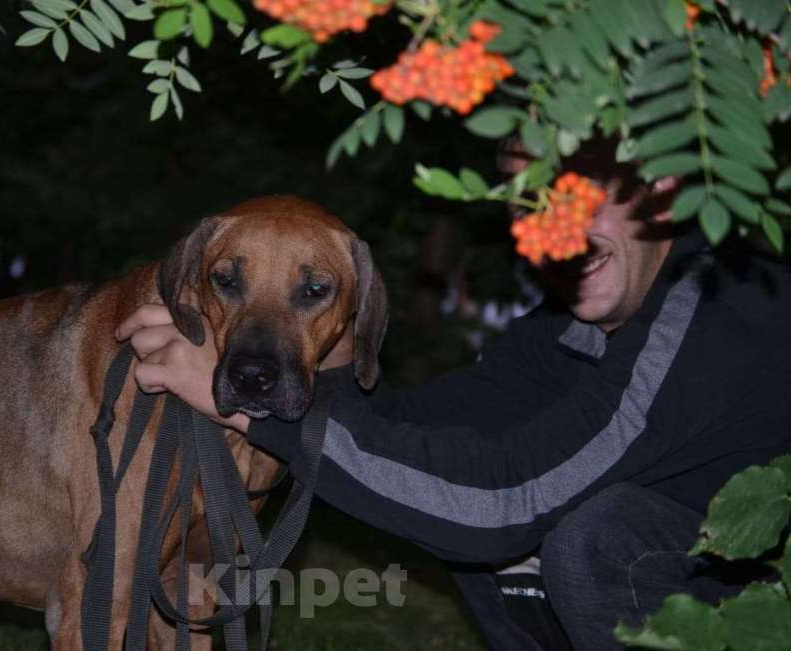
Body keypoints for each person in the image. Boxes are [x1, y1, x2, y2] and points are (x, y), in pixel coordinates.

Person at [115, 143, 791, 650]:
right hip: (713, 577)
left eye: (578, 190)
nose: (559, 226)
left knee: (590, 536)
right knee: (443, 487)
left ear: (664, 189)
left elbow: (499, 502)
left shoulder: (721, 305)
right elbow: (414, 432)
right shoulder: (568, 332)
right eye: (531, 203)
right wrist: (290, 358)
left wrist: (231, 402)